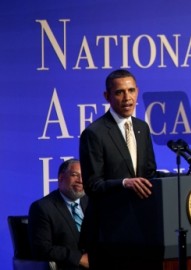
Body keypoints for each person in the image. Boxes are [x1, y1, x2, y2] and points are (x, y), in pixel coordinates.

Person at [79, 69, 159, 269]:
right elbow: (92, 185)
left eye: (131, 90)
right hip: (108, 232)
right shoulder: (94, 133)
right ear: (107, 96)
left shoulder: (142, 128)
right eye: (119, 92)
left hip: (141, 230)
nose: (127, 98)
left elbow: (149, 174)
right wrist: (124, 184)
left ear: (137, 92)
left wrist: (180, 179)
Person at [28, 159, 89, 270]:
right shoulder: (42, 207)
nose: (80, 180)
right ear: (61, 177)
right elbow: (41, 249)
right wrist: (79, 258)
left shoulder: (91, 202)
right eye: (75, 175)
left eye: (84, 176)